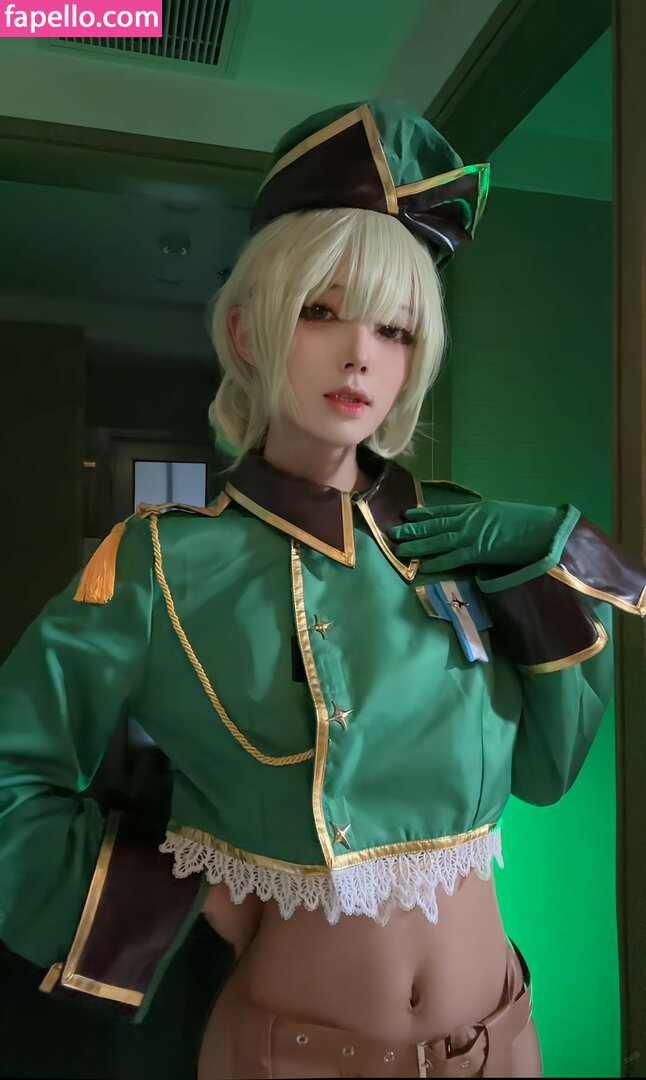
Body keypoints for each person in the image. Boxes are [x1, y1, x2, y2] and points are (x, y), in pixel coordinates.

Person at [0, 101, 644, 1079]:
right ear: (247, 330)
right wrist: (167, 889)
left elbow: (548, 773)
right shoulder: (160, 566)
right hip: (291, 1056)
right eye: (320, 312)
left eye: (394, 328)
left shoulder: (461, 535)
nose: (359, 355)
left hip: (503, 1041)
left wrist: (554, 563)